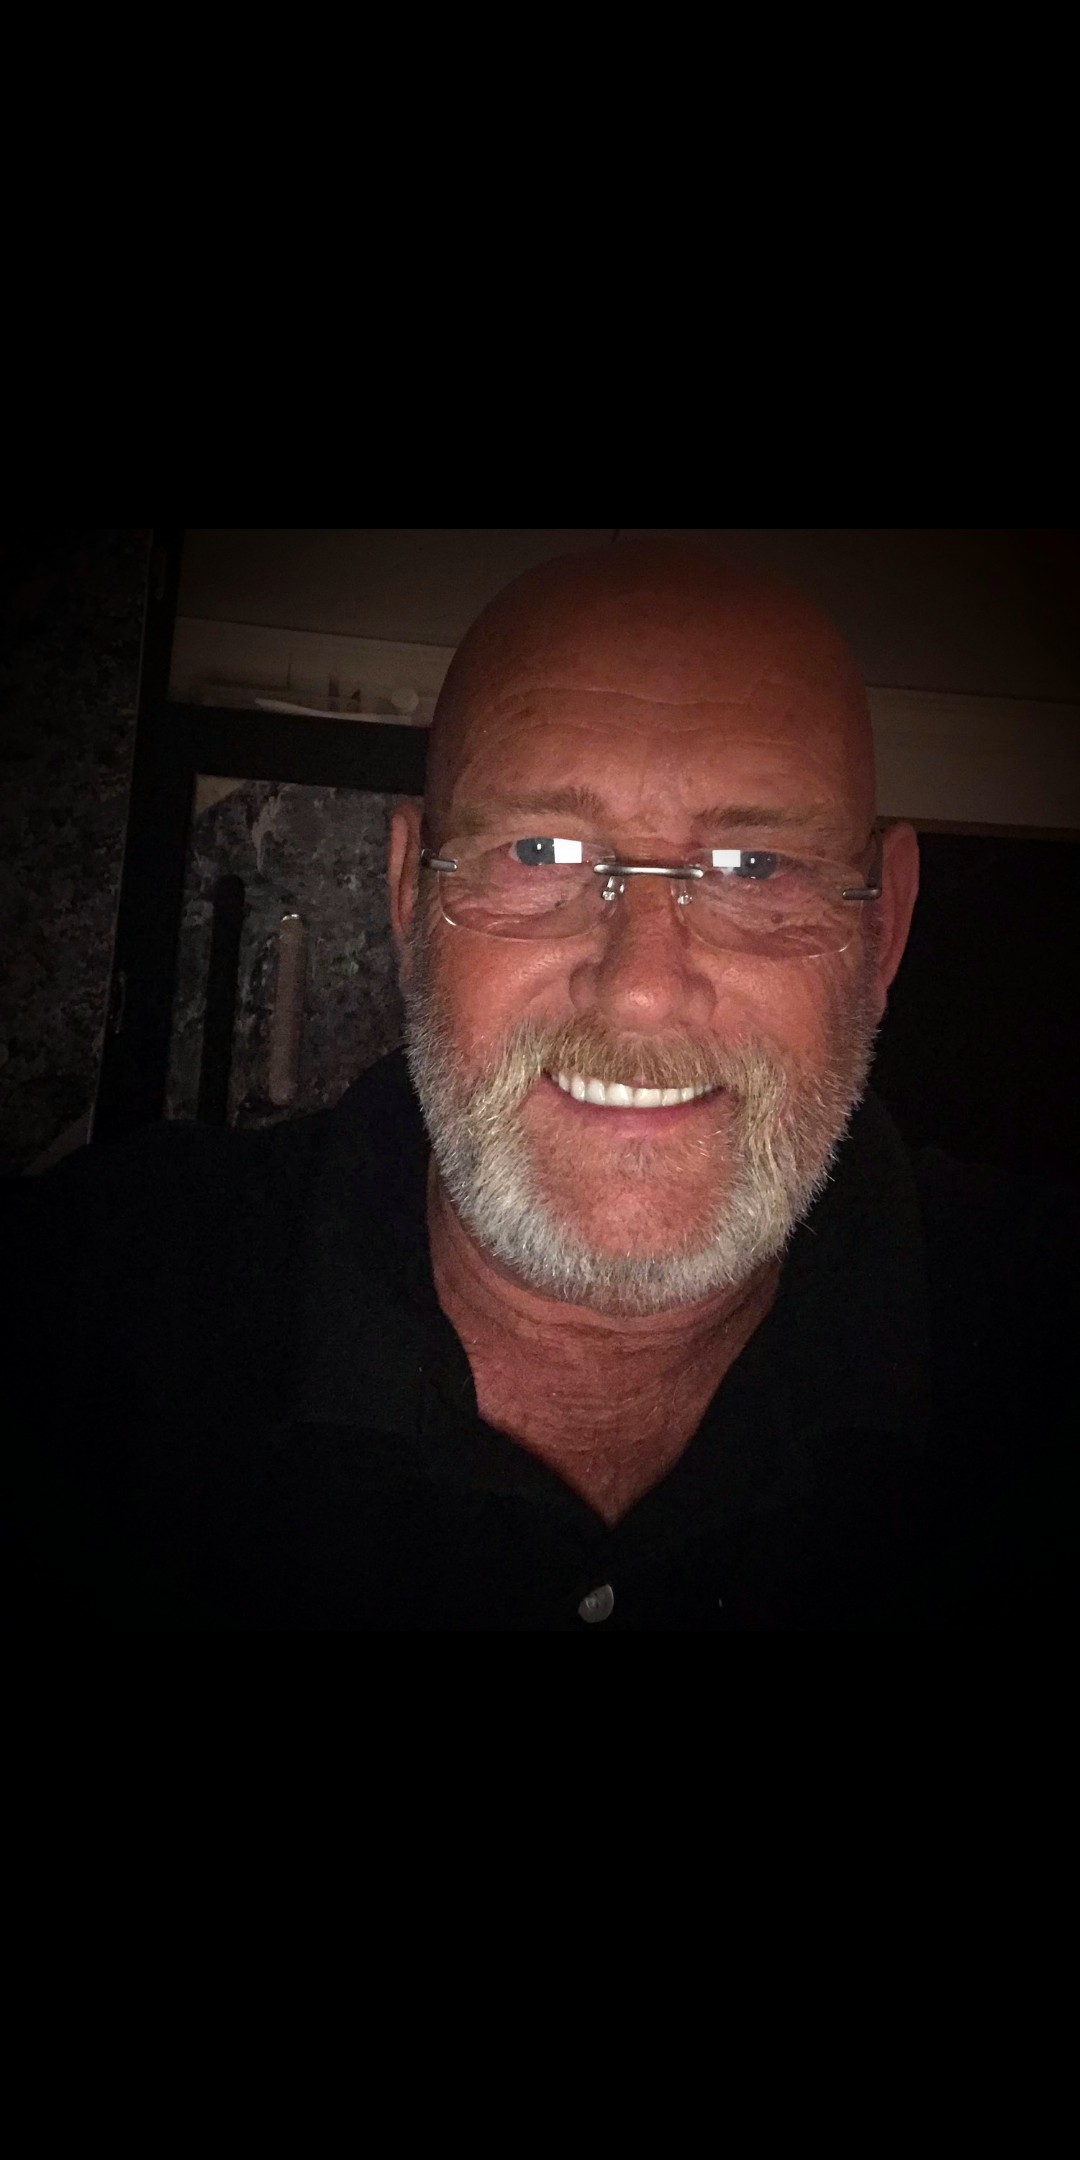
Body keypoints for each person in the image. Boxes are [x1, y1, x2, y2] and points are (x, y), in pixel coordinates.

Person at [6, 540, 1074, 1628]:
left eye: (754, 868)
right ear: (409, 898)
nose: (641, 989)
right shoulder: (75, 1314)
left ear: (882, 928)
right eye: (542, 852)